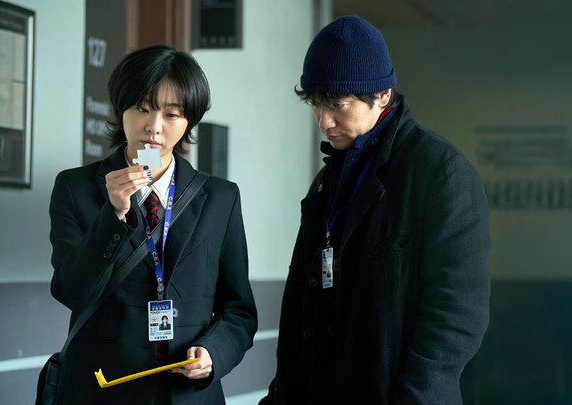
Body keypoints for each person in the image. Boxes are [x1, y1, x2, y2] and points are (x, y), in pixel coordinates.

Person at [260, 16, 490, 404]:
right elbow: (305, 305)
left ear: (382, 95)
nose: (324, 120)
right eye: (315, 103)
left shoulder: (440, 173)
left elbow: (458, 314)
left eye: (337, 105)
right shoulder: (326, 182)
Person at [49, 45, 257, 404]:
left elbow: (239, 310)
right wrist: (113, 214)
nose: (154, 127)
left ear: (189, 121)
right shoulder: (75, 187)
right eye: (142, 108)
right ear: (121, 109)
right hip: (101, 389)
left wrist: (212, 353)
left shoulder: (221, 198)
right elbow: (70, 292)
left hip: (187, 394)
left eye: (172, 114)